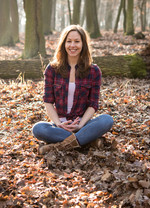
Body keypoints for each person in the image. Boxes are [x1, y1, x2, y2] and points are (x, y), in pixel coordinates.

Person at [32, 25, 114, 155]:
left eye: (77, 41)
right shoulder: (52, 69)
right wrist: (59, 124)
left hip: (83, 124)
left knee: (107, 120)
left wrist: (80, 125)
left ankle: (61, 145)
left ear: (83, 44)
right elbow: (48, 101)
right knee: (38, 129)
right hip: (60, 127)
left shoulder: (94, 71)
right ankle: (87, 141)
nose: (72, 45)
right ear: (63, 43)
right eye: (69, 41)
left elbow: (93, 104)